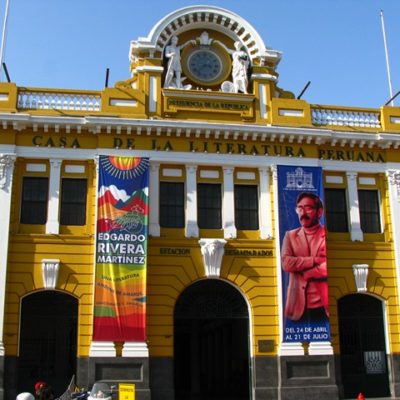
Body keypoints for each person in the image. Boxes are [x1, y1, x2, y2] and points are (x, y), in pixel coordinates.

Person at [281, 192, 329, 322]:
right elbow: (286, 263)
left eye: (308, 208)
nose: (303, 213)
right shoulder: (290, 236)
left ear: (319, 212)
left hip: (323, 307)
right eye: (300, 208)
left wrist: (308, 272)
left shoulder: (326, 235)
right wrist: (313, 260)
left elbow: (326, 266)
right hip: (297, 308)